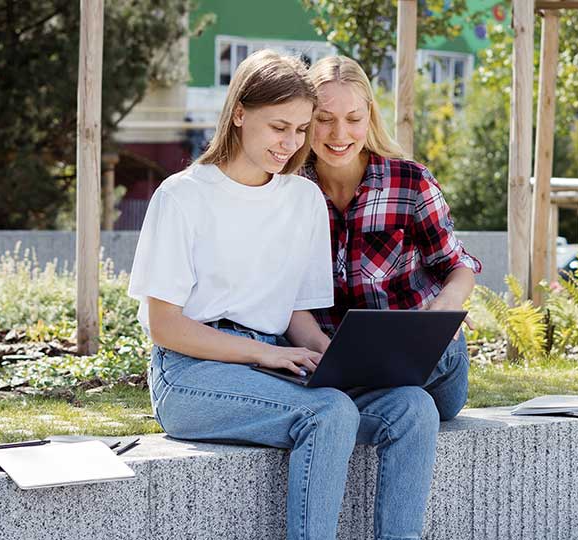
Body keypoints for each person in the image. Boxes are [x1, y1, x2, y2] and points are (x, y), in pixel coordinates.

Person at [129, 49, 440, 540]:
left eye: (299, 129)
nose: (290, 143)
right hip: (190, 372)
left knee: (412, 407)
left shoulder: (302, 198)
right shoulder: (182, 195)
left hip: (276, 362)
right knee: (330, 412)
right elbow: (164, 325)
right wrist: (268, 355)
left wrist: (335, 356)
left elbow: (297, 313)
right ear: (238, 113)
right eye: (279, 127)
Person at [305, 56, 482, 422]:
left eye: (353, 119)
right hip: (327, 357)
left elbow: (458, 267)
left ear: (370, 116)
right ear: (306, 119)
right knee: (399, 399)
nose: (340, 135)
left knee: (411, 383)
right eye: (324, 120)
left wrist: (447, 303)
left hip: (423, 360)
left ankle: (367, 395)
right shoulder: (290, 190)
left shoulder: (409, 182)